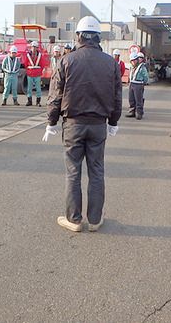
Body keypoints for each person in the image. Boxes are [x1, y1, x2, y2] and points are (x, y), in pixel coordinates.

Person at [44, 16, 122, 233]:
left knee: (73, 172)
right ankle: (95, 220)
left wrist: (51, 121)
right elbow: (117, 97)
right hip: (98, 125)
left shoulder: (67, 60)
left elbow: (55, 95)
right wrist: (113, 122)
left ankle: (75, 219)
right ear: (98, 37)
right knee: (96, 171)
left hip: (73, 124)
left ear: (78, 36)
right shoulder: (111, 63)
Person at [125, 52, 149, 120]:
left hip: (138, 84)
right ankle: (132, 112)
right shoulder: (131, 67)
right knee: (131, 99)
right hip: (132, 84)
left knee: (138, 100)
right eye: (132, 61)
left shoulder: (142, 67)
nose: (133, 62)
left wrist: (142, 83)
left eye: (134, 60)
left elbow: (146, 77)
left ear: (137, 60)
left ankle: (139, 113)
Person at [24, 40, 46, 107]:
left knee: (38, 88)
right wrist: (28, 71)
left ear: (37, 48)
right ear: (31, 47)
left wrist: (39, 71)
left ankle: (38, 102)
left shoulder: (40, 55)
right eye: (33, 47)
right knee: (29, 88)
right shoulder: (28, 55)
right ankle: (29, 101)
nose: (34, 48)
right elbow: (25, 64)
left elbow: (42, 64)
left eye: (35, 47)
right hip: (30, 74)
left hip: (37, 74)